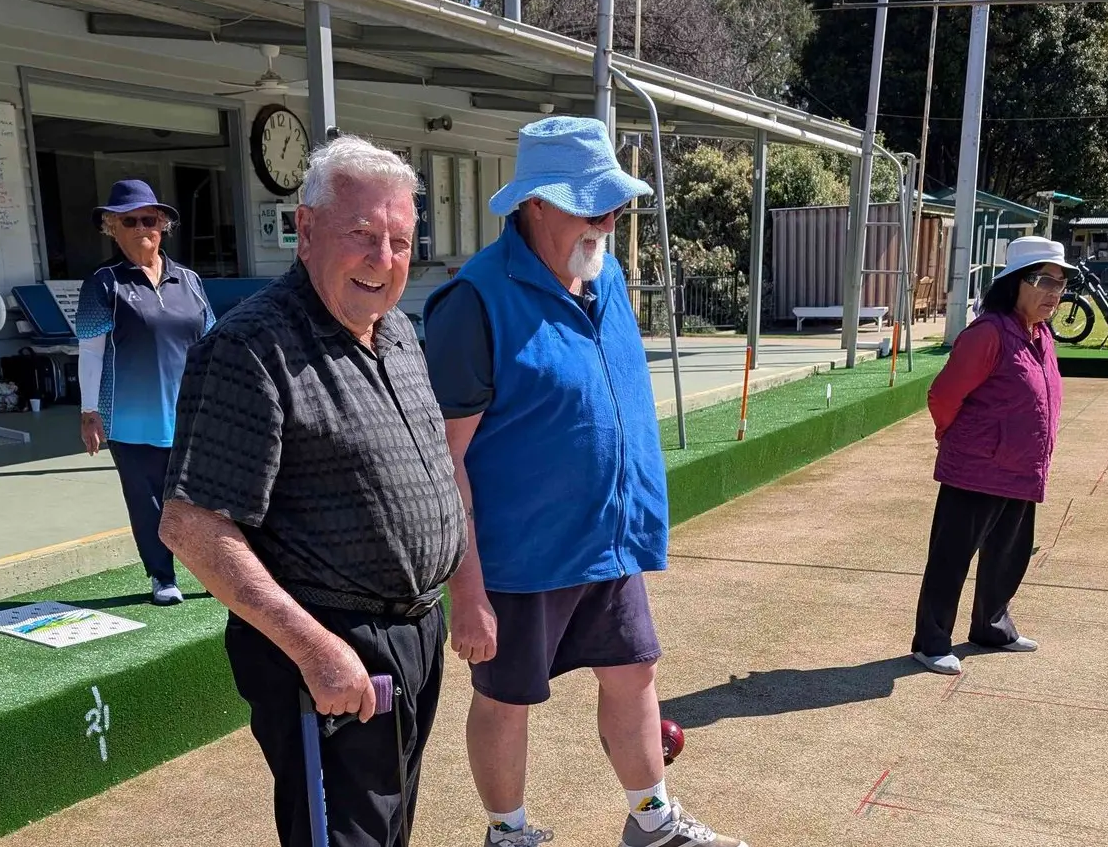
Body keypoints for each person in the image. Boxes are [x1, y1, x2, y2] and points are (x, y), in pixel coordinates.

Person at [422, 116, 747, 847]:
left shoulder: (609, 275)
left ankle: (651, 819)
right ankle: (508, 834)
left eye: (613, 202)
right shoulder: (473, 304)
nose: (608, 217)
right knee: (506, 698)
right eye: (590, 202)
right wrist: (466, 591)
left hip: (609, 537)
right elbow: (445, 464)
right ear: (535, 202)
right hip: (521, 553)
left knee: (635, 671)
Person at [158, 135, 466, 847]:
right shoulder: (251, 348)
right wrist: (314, 648)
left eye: (398, 239)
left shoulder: (399, 333)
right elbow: (192, 527)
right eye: (361, 235)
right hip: (328, 646)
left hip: (414, 634)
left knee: (388, 830)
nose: (382, 259)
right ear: (305, 230)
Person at [911, 235, 1068, 675]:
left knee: (1008, 555)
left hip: (1024, 469)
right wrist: (952, 435)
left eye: (1060, 284)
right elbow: (943, 395)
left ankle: (991, 627)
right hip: (976, 469)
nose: (1053, 293)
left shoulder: (1041, 335)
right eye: (1043, 280)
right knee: (952, 558)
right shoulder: (988, 334)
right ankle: (931, 641)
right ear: (1015, 283)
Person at [77, 179, 213, 607]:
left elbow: (210, 343)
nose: (141, 229)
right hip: (129, 417)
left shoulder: (188, 280)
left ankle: (214, 571)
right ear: (111, 230)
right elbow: (91, 353)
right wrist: (88, 411)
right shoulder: (104, 284)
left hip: (192, 415)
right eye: (128, 221)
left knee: (204, 500)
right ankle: (162, 576)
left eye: (149, 219)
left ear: (164, 225)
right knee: (148, 501)